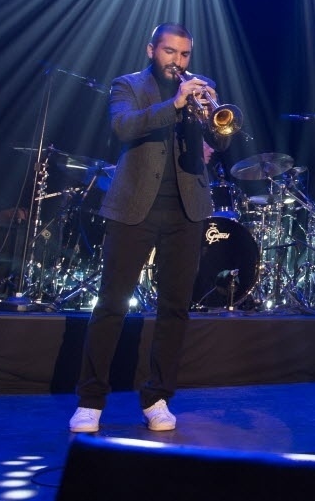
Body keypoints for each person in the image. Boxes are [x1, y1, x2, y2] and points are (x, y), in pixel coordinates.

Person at [69, 23, 230, 433]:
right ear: (151, 50)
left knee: (174, 309)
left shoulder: (201, 86)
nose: (178, 61)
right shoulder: (127, 85)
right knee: (111, 306)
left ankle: (158, 397)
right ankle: (90, 400)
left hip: (186, 209)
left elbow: (224, 138)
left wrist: (213, 119)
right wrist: (175, 104)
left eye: (185, 54)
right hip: (133, 208)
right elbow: (123, 127)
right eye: (170, 52)